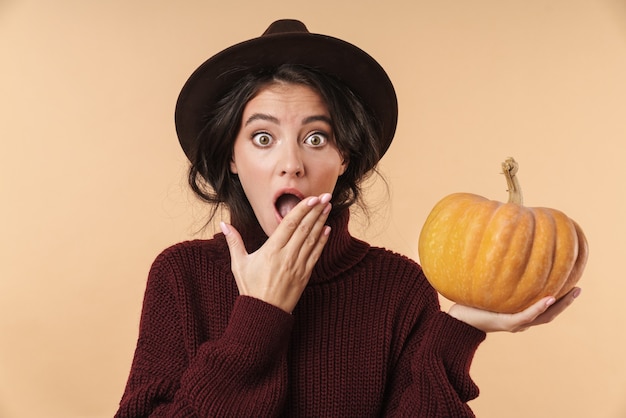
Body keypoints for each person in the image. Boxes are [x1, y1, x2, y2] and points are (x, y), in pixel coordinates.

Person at [115, 19, 581, 417]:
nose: (291, 163)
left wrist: (460, 329)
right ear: (232, 157)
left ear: (344, 158)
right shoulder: (181, 277)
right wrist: (259, 317)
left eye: (316, 138)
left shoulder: (399, 287)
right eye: (262, 138)